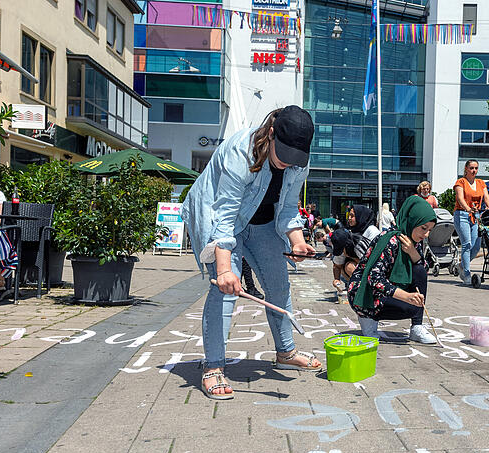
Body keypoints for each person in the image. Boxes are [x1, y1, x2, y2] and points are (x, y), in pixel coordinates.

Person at [181, 106, 323, 401]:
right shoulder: (240, 152)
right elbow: (225, 215)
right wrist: (224, 271)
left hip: (263, 223)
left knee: (278, 284)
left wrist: (296, 241)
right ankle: (214, 366)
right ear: (271, 134)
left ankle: (285, 352)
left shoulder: (298, 162)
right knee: (226, 291)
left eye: (295, 157)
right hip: (221, 217)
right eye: (283, 153)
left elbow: (286, 208)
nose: (288, 163)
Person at [349, 195, 438, 344]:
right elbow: (374, 278)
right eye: (424, 228)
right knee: (411, 304)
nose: (426, 234)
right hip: (365, 295)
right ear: (411, 220)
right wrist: (406, 296)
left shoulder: (413, 242)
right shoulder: (389, 240)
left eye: (429, 230)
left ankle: (417, 327)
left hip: (385, 294)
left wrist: (413, 253)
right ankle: (367, 318)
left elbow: (424, 272)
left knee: (419, 272)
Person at [453, 160, 489, 283]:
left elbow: (486, 198)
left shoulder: (480, 183)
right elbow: (460, 198)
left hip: (476, 216)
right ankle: (467, 274)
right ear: (466, 169)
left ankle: (461, 265)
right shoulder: (461, 182)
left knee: (475, 247)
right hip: (462, 214)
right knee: (467, 244)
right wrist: (468, 208)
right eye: (471, 168)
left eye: (476, 168)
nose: (474, 170)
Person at [330, 204, 380, 290]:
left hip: (374, 270)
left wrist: (351, 257)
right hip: (360, 269)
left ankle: (365, 289)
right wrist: (336, 279)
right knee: (347, 266)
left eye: (352, 216)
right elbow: (337, 264)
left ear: (361, 217)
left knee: (349, 266)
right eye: (348, 215)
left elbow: (373, 262)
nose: (349, 218)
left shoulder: (372, 231)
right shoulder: (350, 234)